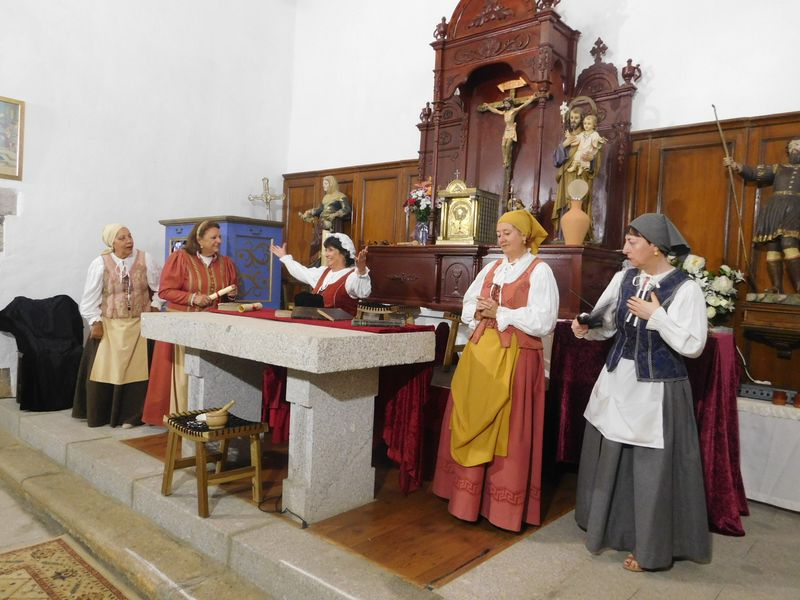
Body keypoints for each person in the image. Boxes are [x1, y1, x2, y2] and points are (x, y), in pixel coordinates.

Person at [571, 212, 710, 572]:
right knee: (613, 456)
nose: (625, 248)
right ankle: (610, 529)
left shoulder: (685, 288)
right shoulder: (624, 277)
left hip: (656, 389)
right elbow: (605, 322)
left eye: (633, 242)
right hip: (619, 378)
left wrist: (657, 316)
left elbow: (693, 345)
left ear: (656, 247)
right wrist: (588, 328)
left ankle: (650, 546)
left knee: (649, 468)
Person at [432, 210, 558, 532]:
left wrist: (501, 311)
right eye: (499, 232)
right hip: (481, 355)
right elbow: (469, 305)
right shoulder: (492, 269)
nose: (500, 238)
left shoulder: (540, 272)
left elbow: (544, 320)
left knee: (507, 428)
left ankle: (500, 506)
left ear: (525, 236)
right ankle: (464, 497)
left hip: (516, 358)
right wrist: (482, 310)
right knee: (469, 414)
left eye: (507, 233)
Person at [142, 220, 238, 425]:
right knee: (183, 374)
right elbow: (166, 291)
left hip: (212, 329)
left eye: (219, 237)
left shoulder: (226, 263)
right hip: (183, 327)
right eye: (214, 237)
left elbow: (229, 293)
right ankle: (179, 415)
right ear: (199, 239)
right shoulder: (180, 259)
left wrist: (231, 294)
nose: (219, 241)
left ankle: (206, 415)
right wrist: (193, 298)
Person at [72, 224, 162, 428]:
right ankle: (104, 414)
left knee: (138, 372)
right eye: (122, 238)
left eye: (130, 236)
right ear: (111, 242)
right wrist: (94, 321)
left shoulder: (145, 259)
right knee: (108, 370)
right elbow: (88, 299)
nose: (128, 240)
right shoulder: (100, 263)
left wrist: (155, 307)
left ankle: (133, 416)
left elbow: (161, 288)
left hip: (139, 326)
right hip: (110, 327)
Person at [723, 139, 800, 293]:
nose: (795, 149)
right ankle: (777, 287)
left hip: (795, 208)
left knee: (788, 243)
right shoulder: (778, 168)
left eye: (798, 146)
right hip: (774, 209)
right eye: (792, 146)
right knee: (773, 246)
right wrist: (735, 165)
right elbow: (753, 173)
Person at [269, 232, 370, 314]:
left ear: (344, 252)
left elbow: (364, 292)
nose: (326, 254)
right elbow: (301, 271)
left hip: (341, 330)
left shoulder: (352, 276)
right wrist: (285, 258)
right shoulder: (323, 272)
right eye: (326, 250)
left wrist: (361, 270)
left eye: (330, 250)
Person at [553, 108, 602, 240]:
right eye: (571, 118)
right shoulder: (568, 136)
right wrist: (563, 145)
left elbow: (596, 155)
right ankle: (562, 236)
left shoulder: (589, 136)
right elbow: (557, 161)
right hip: (566, 174)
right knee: (565, 203)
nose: (573, 120)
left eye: (576, 118)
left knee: (578, 203)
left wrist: (591, 159)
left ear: (582, 120)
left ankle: (580, 236)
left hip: (580, 175)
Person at [481, 95, 536, 168]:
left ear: (510, 103)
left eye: (507, 103)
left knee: (508, 145)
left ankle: (506, 161)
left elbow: (523, 105)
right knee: (503, 145)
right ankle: (505, 160)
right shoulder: (505, 112)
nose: (506, 104)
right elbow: (496, 111)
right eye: (505, 103)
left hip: (512, 129)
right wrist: (488, 106)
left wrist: (532, 98)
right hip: (506, 130)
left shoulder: (514, 111)